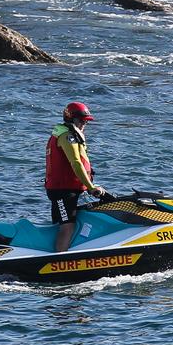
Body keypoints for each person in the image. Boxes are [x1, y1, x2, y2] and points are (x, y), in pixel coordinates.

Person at [45, 101, 106, 252]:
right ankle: (59, 261)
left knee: (60, 224)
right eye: (82, 120)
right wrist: (91, 188)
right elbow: (76, 163)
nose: (84, 124)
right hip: (63, 190)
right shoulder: (67, 136)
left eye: (86, 121)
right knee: (67, 225)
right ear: (71, 119)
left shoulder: (69, 133)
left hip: (67, 188)